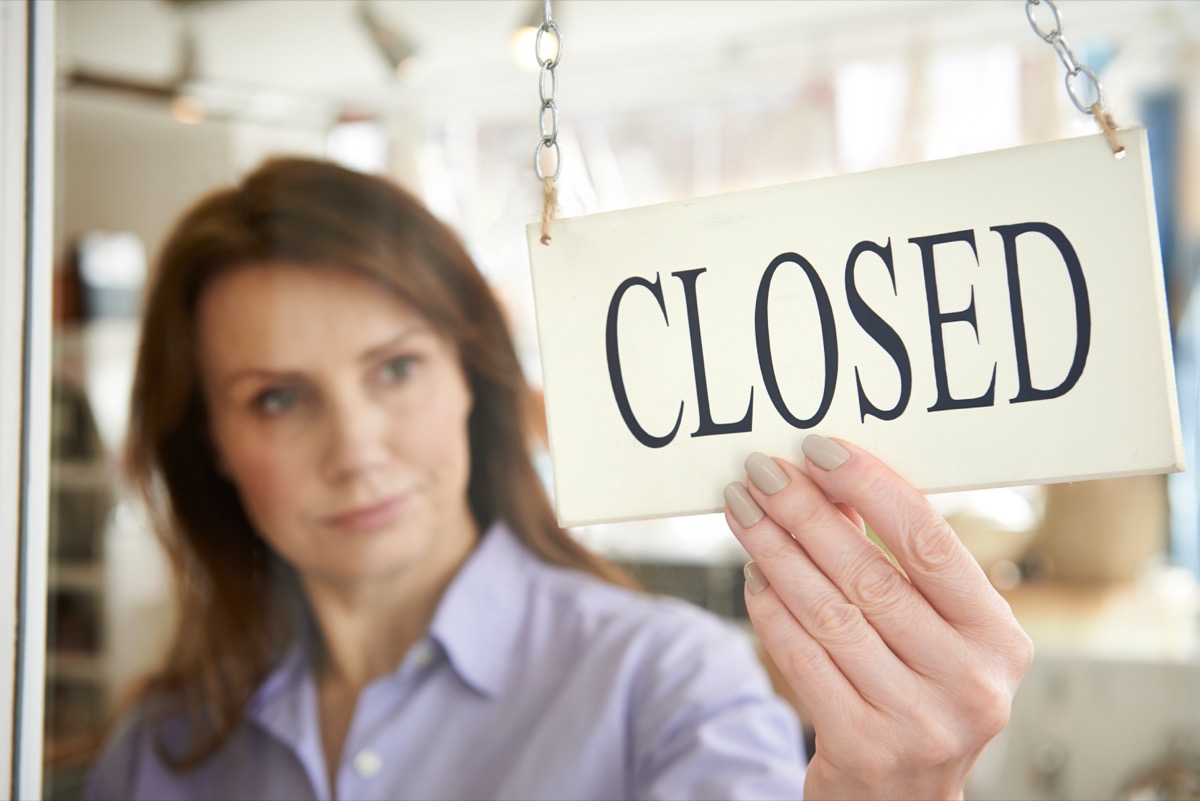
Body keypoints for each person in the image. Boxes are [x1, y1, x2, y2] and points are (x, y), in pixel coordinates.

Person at [86, 157, 1032, 801]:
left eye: (395, 369)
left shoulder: (668, 686)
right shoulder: (160, 750)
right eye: (277, 400)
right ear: (206, 439)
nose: (356, 448)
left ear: (473, 376)